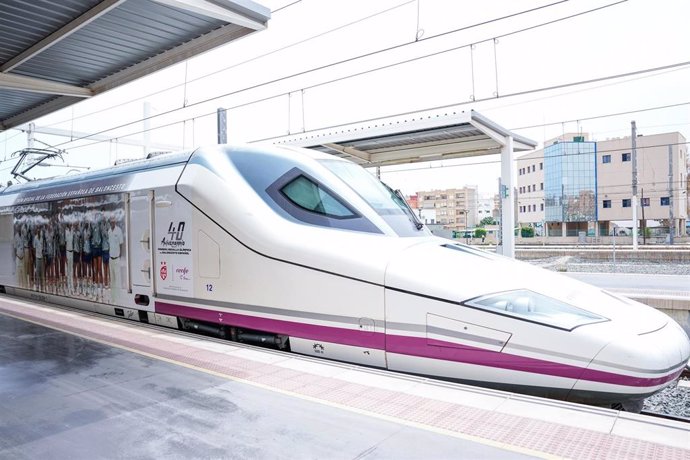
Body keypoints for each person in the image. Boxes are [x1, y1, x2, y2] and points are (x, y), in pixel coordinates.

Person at [107, 218, 124, 303]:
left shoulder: (119, 231)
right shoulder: (109, 231)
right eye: (111, 221)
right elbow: (109, 244)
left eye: (113, 221)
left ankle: (119, 298)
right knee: (112, 279)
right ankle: (113, 298)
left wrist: (120, 255)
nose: (112, 222)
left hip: (117, 258)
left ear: (115, 222)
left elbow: (121, 244)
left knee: (118, 279)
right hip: (111, 258)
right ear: (110, 222)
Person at [13, 223, 26, 288]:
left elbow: (23, 247)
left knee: (23, 272)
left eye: (20, 227)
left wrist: (23, 256)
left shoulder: (23, 236)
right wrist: (18, 256)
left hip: (23, 257)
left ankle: (23, 286)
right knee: (18, 273)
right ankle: (18, 286)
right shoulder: (16, 236)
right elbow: (15, 249)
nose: (19, 229)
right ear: (17, 229)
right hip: (18, 257)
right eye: (18, 228)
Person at [65, 221, 75, 295]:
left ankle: (72, 288)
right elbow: (65, 243)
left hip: (73, 252)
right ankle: (68, 288)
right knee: (68, 271)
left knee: (72, 271)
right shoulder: (66, 231)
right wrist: (65, 255)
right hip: (68, 252)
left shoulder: (73, 231)